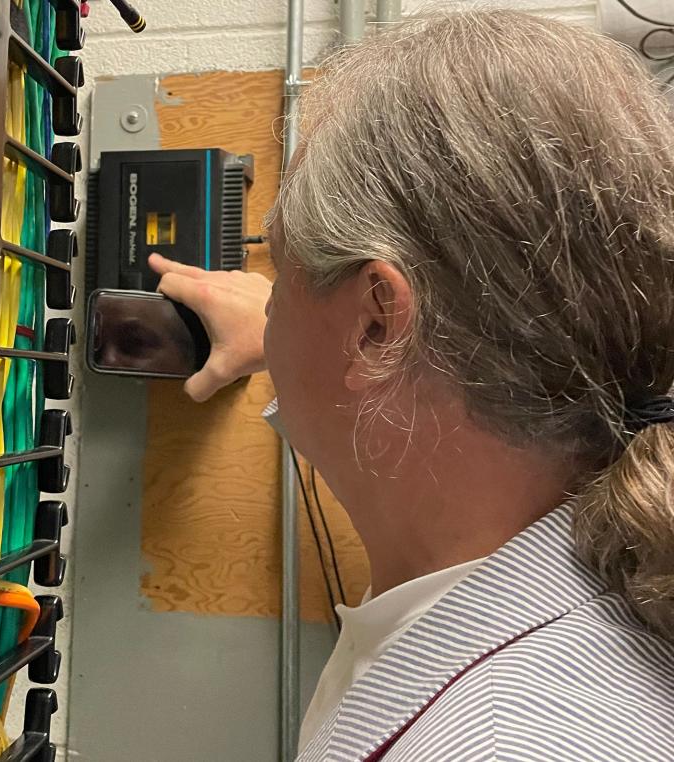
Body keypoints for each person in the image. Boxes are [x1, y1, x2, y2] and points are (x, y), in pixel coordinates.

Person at [150, 9, 674, 761]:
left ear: (376, 325)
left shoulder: (497, 743)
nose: (266, 302)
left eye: (282, 274)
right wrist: (288, 337)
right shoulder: (597, 567)